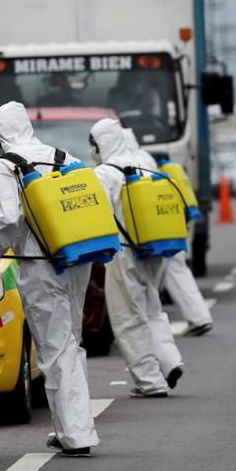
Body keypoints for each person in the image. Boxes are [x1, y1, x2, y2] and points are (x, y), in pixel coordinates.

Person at [0, 101, 99, 457]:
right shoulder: (63, 156)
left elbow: (9, 220)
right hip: (75, 259)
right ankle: (71, 426)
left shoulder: (5, 165)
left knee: (55, 347)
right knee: (71, 342)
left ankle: (76, 434)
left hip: (38, 263)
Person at [91, 117, 184, 398]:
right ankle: (170, 362)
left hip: (124, 251)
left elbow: (99, 215)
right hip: (154, 247)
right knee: (152, 308)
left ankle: (150, 381)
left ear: (101, 142)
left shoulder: (105, 173)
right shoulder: (145, 162)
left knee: (127, 317)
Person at [122, 130, 213, 335]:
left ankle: (194, 320)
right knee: (174, 272)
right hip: (168, 221)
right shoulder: (146, 158)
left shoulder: (129, 162)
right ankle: (199, 317)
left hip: (151, 230)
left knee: (154, 283)